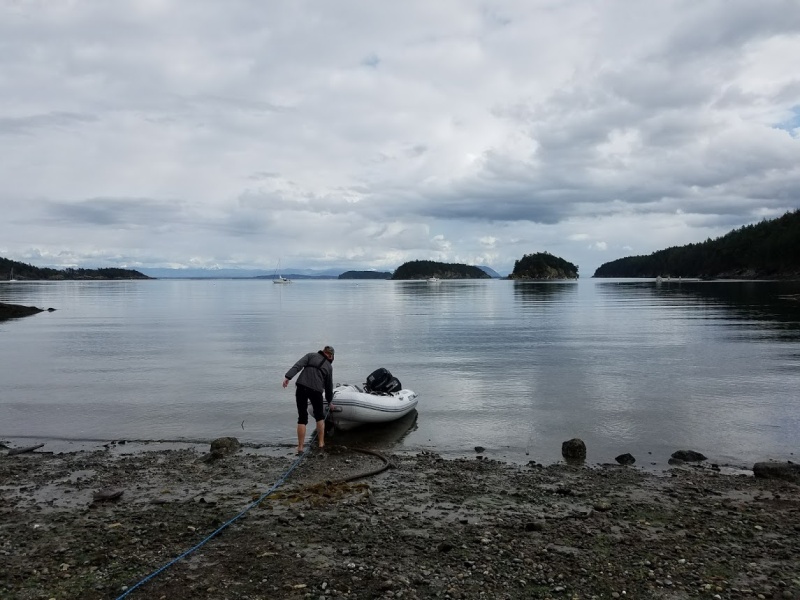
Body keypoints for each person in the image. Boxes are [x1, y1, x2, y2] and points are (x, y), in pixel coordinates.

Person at [283, 345, 334, 454]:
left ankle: (300, 447)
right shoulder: (329, 367)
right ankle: (321, 444)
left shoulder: (310, 355)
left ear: (322, 352)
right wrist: (330, 401)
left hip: (301, 386)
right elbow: (329, 386)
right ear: (330, 356)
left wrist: (288, 377)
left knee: (302, 417)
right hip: (316, 390)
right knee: (319, 416)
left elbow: (298, 365)